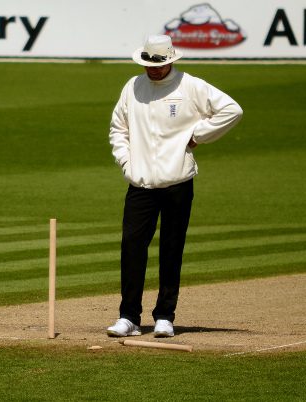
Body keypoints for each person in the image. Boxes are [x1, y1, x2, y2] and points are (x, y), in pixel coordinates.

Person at [106, 35, 242, 338]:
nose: (153, 71)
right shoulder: (133, 87)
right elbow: (118, 128)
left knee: (171, 247)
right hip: (140, 183)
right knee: (131, 246)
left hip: (178, 181)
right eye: (149, 65)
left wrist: (198, 136)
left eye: (160, 65)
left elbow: (232, 110)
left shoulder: (191, 86)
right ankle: (128, 317)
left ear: (171, 60)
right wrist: (127, 163)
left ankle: (165, 316)